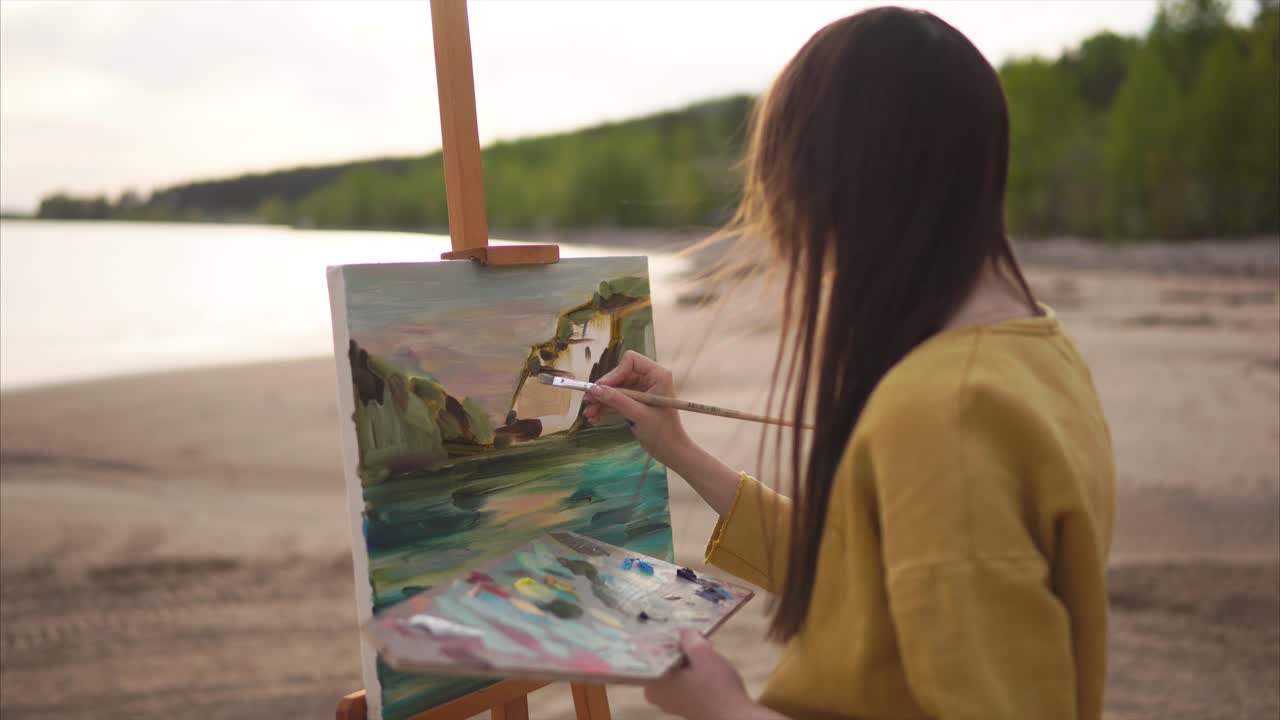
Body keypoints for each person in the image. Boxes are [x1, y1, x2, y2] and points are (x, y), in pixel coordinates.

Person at [581, 6, 1115, 720]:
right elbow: (872, 575)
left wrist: (725, 709)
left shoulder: (941, 412)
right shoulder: (1037, 352)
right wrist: (679, 450)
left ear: (834, 194)